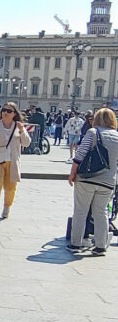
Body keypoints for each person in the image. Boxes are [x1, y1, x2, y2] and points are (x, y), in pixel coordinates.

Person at [67, 107, 118, 256]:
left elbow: (80, 154)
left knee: (81, 212)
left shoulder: (93, 132)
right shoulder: (116, 135)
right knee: (101, 213)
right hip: (108, 181)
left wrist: (72, 173)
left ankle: (76, 244)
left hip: (87, 179)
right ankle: (100, 246)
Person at [0, 101, 31, 222]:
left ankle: (7, 207)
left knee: (11, 188)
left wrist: (22, 131)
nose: (5, 112)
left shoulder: (18, 126)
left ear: (14, 114)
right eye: (3, 110)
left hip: (12, 161)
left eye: (9, 111)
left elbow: (26, 143)